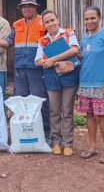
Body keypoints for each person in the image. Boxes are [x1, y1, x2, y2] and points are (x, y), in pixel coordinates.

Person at [0, 0, 51, 142]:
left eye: (30, 6)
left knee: (40, 100)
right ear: (21, 8)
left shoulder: (44, 23)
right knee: (19, 100)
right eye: (24, 6)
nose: (27, 9)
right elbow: (6, 43)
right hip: (20, 69)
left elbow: (53, 40)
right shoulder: (17, 25)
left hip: (37, 69)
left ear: (36, 7)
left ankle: (46, 134)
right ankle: (22, 133)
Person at [35, 10, 80, 157]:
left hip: (69, 77)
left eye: (52, 20)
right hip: (51, 78)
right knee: (54, 111)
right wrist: (52, 63)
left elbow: (74, 50)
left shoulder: (68, 34)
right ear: (44, 24)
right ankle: (55, 142)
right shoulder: (43, 41)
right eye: (47, 22)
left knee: (67, 111)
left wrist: (53, 60)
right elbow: (38, 61)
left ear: (58, 19)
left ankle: (67, 144)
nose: (50, 24)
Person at [77, 6, 104, 164]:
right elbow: (82, 61)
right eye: (86, 19)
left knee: (101, 117)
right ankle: (93, 147)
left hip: (101, 84)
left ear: (99, 18)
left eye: (93, 18)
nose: (90, 21)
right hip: (85, 83)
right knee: (89, 116)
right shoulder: (84, 39)